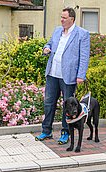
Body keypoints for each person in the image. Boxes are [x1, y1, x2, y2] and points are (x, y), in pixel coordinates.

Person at [35, 8, 90, 144]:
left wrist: (81, 75)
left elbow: (84, 56)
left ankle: (66, 133)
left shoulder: (82, 34)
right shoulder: (57, 30)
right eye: (61, 17)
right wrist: (46, 49)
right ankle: (46, 131)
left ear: (72, 19)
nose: (62, 20)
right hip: (52, 74)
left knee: (69, 106)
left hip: (69, 76)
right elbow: (49, 43)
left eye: (64, 18)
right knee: (48, 104)